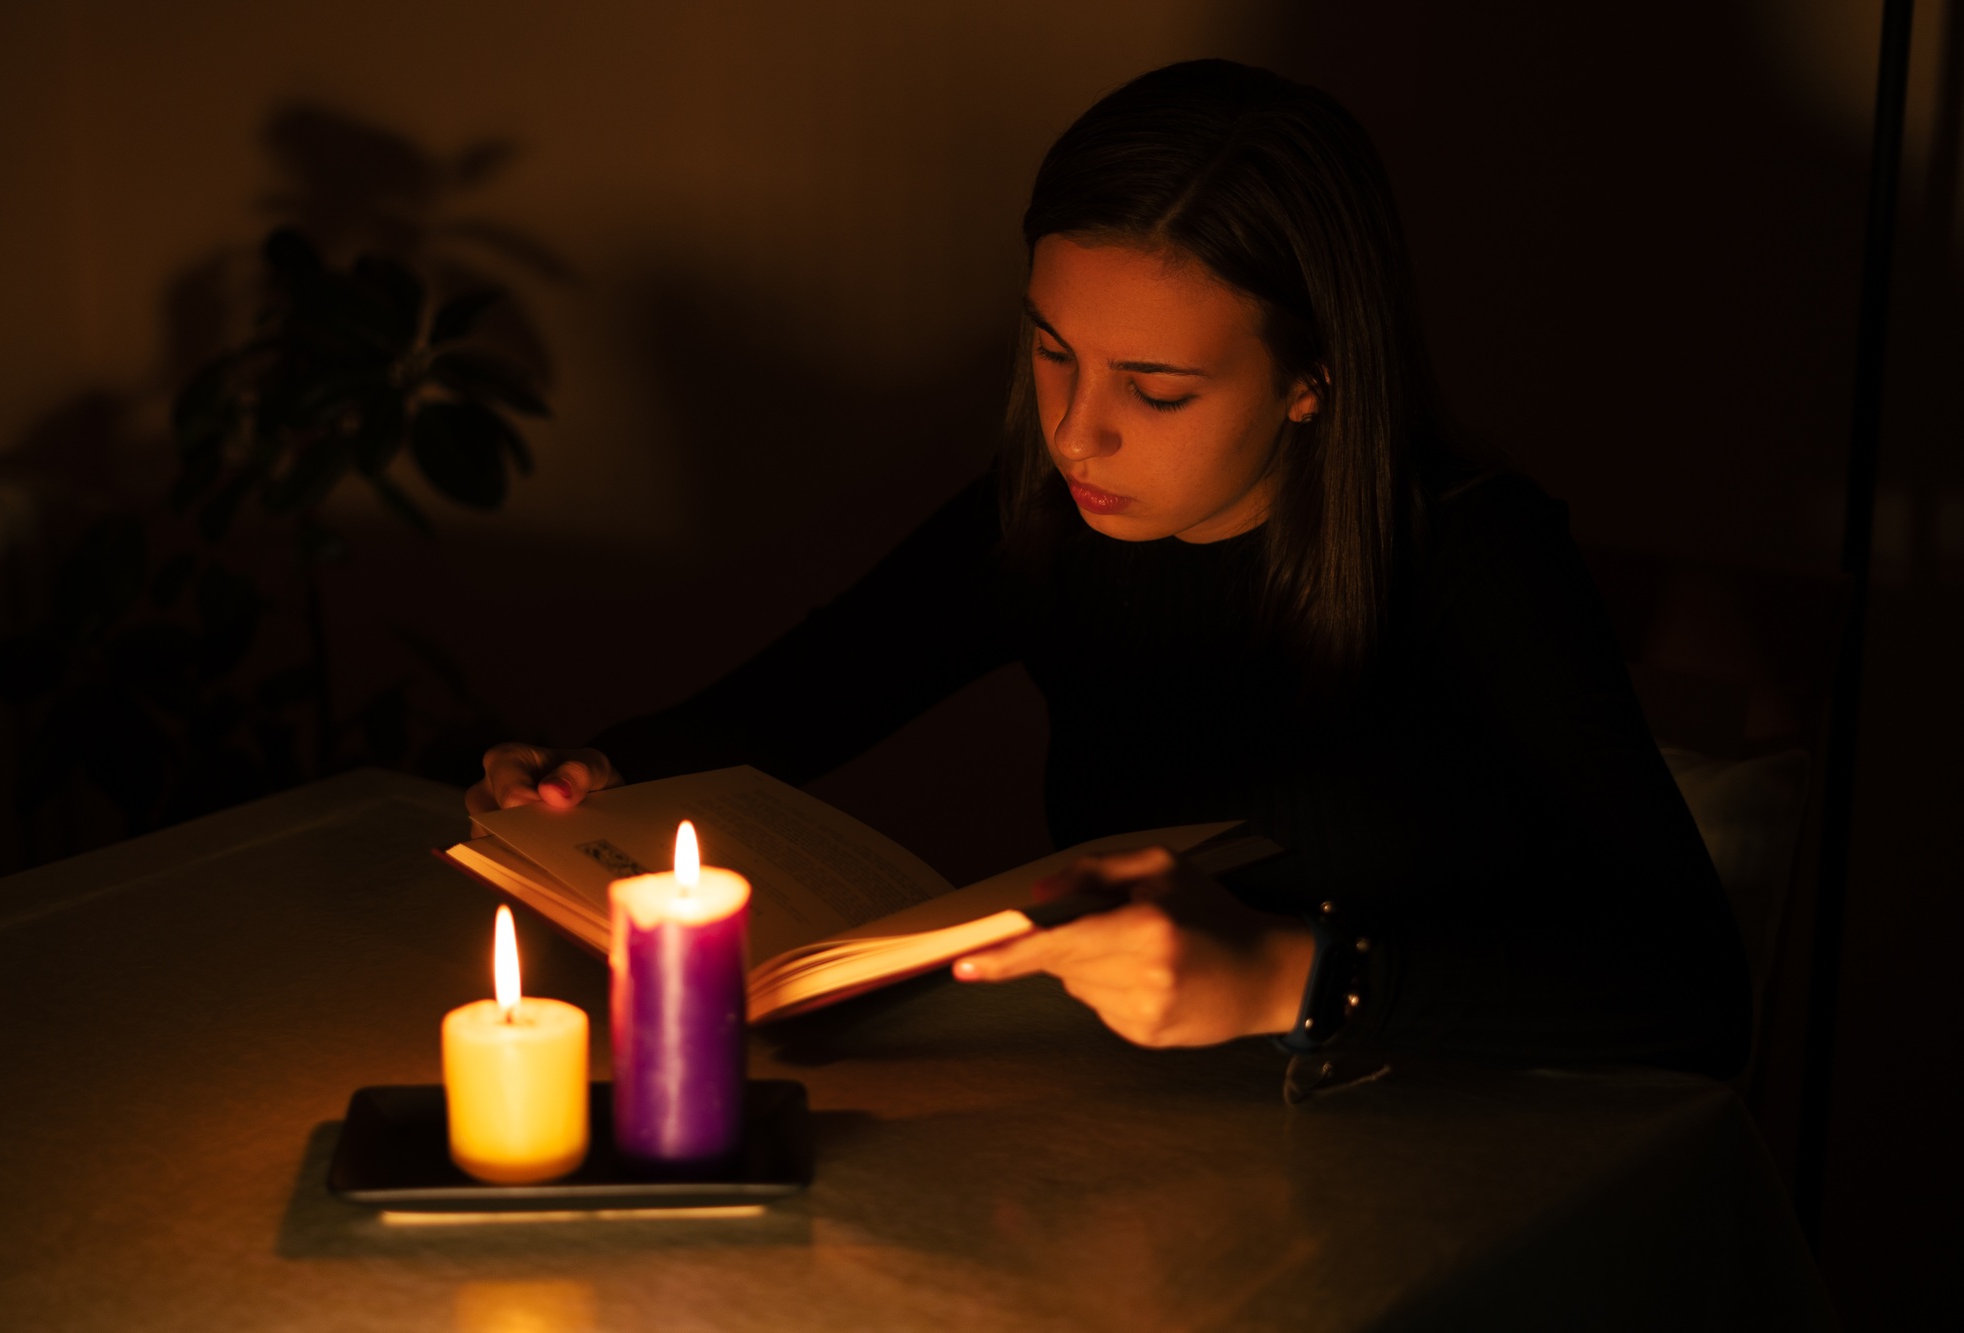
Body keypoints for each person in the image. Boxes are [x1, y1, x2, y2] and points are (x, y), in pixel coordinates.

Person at [468, 60, 1752, 1087]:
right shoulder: (1049, 516)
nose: (1077, 432)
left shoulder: (1474, 556)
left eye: (1156, 388)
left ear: (1313, 379)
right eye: (1050, 352)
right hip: (1163, 1141)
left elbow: (1691, 990)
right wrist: (601, 774)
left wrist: (1286, 976)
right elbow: (818, 684)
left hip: (1469, 1151)